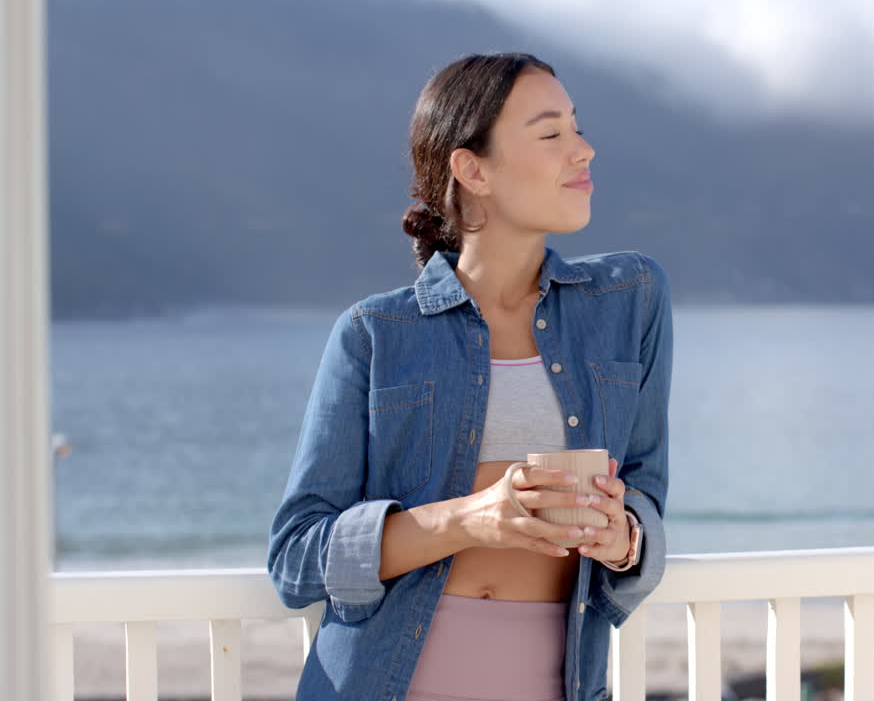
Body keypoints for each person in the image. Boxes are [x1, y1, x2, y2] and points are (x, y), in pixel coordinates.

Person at [266, 52, 673, 701]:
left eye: (578, 126)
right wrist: (470, 519)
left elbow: (647, 495)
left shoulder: (631, 299)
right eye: (551, 134)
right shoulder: (376, 333)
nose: (584, 150)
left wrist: (625, 539)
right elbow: (295, 559)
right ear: (471, 168)